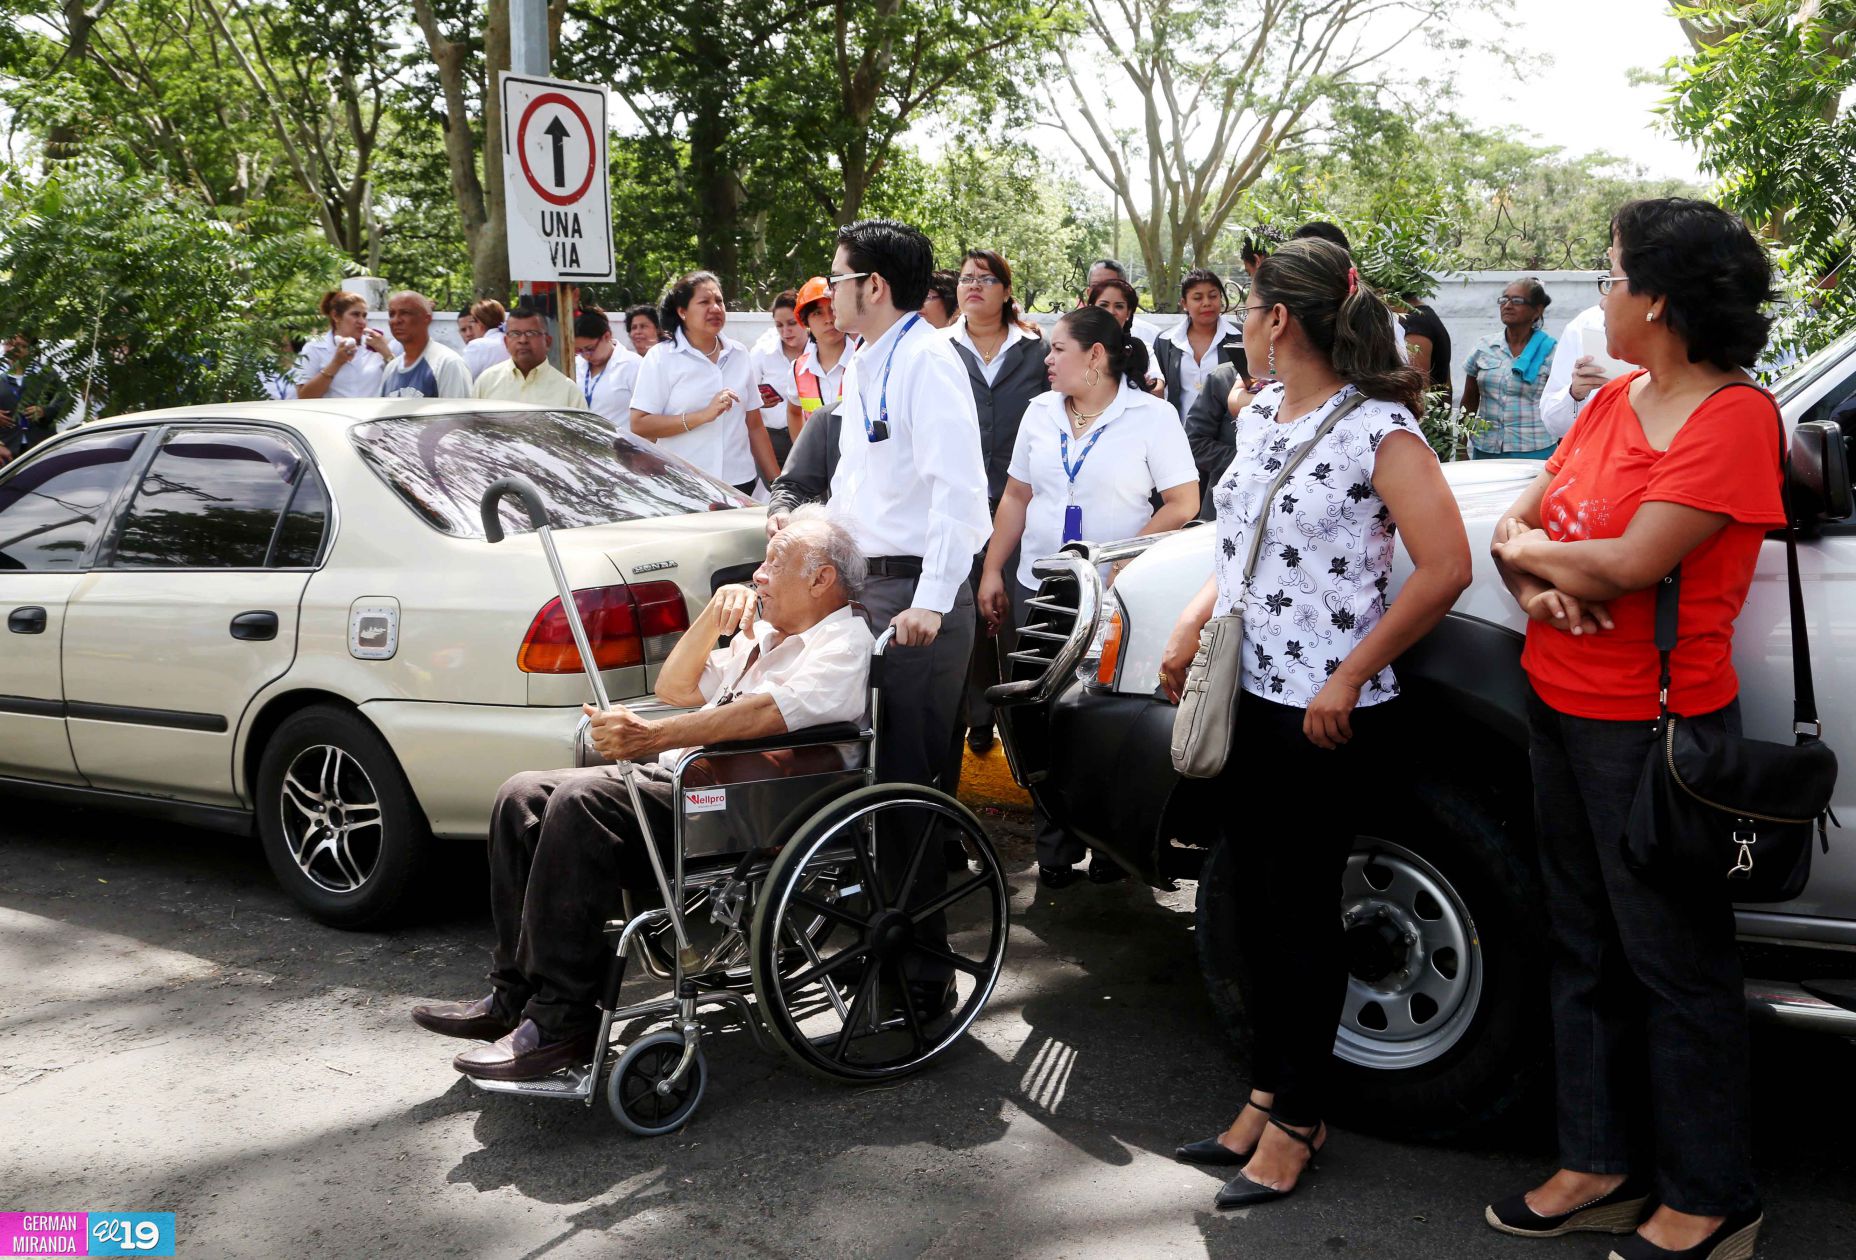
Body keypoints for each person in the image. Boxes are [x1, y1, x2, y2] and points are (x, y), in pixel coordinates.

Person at [1483, 198, 1782, 1260]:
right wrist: (1529, 588)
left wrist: (1537, 557)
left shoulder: (1733, 418)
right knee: (1578, 944)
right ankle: (1595, 1161)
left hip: (1653, 730)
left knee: (1674, 962)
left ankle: (1710, 1195)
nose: (1596, 293)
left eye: (1608, 275)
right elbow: (1520, 516)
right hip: (1554, 697)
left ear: (1655, 297)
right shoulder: (1614, 403)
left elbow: (1627, 564)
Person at [1159, 238, 1471, 1213]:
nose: (1241, 321)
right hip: (1247, 696)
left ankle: (1298, 1121)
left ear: (1277, 319)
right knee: (1251, 907)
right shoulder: (1260, 417)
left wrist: (1349, 674)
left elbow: (1442, 567)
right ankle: (1263, 1093)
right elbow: (1237, 545)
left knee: (1300, 921)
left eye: (1248, 305)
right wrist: (1191, 620)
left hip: (1323, 718)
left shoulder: (1379, 430)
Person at [412, 509, 873, 1081]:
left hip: (743, 804)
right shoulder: (765, 636)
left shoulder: (842, 642)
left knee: (582, 801)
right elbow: (674, 687)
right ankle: (513, 995)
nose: (757, 575)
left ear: (821, 578)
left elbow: (763, 714)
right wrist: (712, 617)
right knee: (521, 794)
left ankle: (562, 1021)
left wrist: (654, 736)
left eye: (773, 564)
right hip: (688, 786)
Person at [979, 305, 1198, 885]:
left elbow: (1183, 503)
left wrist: (1120, 559)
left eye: (1058, 350)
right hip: (1043, 590)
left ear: (1095, 357)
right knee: (1039, 717)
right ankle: (1053, 852)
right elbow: (1017, 497)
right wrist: (993, 570)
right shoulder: (1040, 412)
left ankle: (1107, 851)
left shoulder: (1151, 417)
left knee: (1099, 718)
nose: (1046, 360)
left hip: (1115, 596)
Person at [943, 249, 1048, 759]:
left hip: (1022, 505)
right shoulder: (938, 350)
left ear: (1007, 291)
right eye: (966, 279)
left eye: (987, 279)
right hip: (956, 507)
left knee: (1013, 619)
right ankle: (977, 719)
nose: (974, 286)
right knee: (965, 619)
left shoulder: (1037, 351)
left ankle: (1022, 731)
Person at [628, 271, 779, 493]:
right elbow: (639, 424)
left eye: (719, 301)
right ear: (682, 311)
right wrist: (702, 416)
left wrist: (779, 486)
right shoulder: (661, 357)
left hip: (738, 482)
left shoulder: (739, 354)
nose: (715, 308)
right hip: (682, 483)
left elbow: (754, 425)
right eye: (704, 302)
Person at [1461, 278, 1558, 458]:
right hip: (1486, 448)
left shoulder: (1551, 351)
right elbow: (1469, 400)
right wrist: (1461, 445)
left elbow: (1561, 405)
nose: (1507, 305)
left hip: (1535, 449)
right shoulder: (1484, 347)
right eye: (1504, 300)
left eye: (1517, 301)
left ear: (1536, 311)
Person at [1153, 268, 1243, 420]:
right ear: (1184, 303)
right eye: (1197, 298)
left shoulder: (1241, 337)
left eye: (1213, 296)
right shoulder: (1166, 341)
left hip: (1226, 437)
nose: (1207, 303)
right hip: (1178, 433)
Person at [472, 305, 582, 407]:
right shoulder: (487, 382)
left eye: (531, 333)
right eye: (515, 334)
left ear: (547, 342)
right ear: (506, 342)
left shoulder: (568, 391)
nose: (523, 340)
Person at [293, 290, 393, 400]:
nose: (362, 321)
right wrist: (336, 363)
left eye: (364, 316)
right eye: (355, 315)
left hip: (372, 416)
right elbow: (304, 396)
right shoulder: (314, 348)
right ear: (336, 316)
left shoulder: (375, 345)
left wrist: (386, 353)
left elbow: (401, 383)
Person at [1540, 301, 1617, 439]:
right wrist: (1574, 395)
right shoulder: (1586, 323)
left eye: (1614, 284)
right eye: (1605, 282)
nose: (1603, 302)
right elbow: (1555, 425)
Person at [790, 276, 854, 441]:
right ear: (806, 321)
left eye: (832, 309)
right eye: (817, 313)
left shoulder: (864, 359)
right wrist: (802, 455)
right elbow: (793, 411)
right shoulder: (797, 369)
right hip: (819, 464)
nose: (828, 320)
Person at [378, 291, 473, 399]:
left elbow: (457, 414)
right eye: (392, 314)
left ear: (426, 318)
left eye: (405, 313)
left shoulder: (448, 364)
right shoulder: (390, 369)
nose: (396, 320)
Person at [753, 289, 806, 465]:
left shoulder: (820, 352)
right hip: (773, 441)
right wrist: (757, 399)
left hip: (811, 438)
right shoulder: (763, 353)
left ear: (804, 320)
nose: (785, 331)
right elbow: (744, 397)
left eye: (791, 323)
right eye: (779, 325)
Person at [0, 333, 73, 461]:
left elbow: (65, 403)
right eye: (10, 344)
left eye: (22, 346)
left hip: (40, 448)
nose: (14, 350)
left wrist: (44, 411)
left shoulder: (47, 374)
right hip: (5, 450)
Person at [1086, 277, 1166, 393]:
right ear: (1091, 308)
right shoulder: (1075, 345)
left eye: (1119, 306)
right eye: (1104, 305)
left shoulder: (1140, 349)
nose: (1111, 312)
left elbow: (1157, 391)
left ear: (1128, 312)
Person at [573, 306, 644, 433]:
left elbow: (646, 417)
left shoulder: (632, 365)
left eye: (590, 348)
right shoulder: (576, 365)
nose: (586, 355)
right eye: (579, 350)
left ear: (607, 336)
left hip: (621, 449)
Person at [1085, 258, 1165, 352]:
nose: (1105, 291)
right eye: (1096, 286)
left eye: (1112, 284)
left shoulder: (1150, 336)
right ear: (1089, 292)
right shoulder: (1072, 334)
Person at [1395, 290, 1453, 407]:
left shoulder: (1417, 322)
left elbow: (1417, 386)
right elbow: (1447, 383)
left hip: (1421, 417)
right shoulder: (1427, 317)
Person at [462, 299, 511, 380]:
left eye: (472, 321)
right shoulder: (511, 341)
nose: (471, 327)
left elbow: (462, 378)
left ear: (480, 324)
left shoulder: (477, 346)